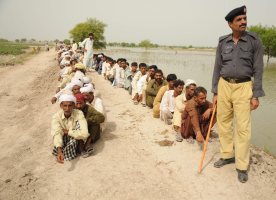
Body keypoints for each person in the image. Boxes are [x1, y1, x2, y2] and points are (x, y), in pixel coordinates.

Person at [211, 5, 265, 183]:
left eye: (244, 19)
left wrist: (256, 94)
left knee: (243, 129)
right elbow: (217, 67)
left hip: (244, 87)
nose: (243, 22)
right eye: (239, 20)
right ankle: (227, 155)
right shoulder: (222, 42)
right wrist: (215, 91)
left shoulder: (254, 41)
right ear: (230, 24)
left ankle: (242, 166)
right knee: (224, 124)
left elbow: (258, 69)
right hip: (224, 85)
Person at [51, 94, 89, 163]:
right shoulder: (56, 117)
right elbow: (57, 133)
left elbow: (85, 133)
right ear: (61, 106)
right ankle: (62, 152)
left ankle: (80, 148)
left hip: (75, 136)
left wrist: (68, 132)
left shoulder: (79, 113)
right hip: (65, 137)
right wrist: (59, 151)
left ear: (74, 106)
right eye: (65, 106)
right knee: (57, 138)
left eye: (70, 105)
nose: (67, 108)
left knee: (77, 130)